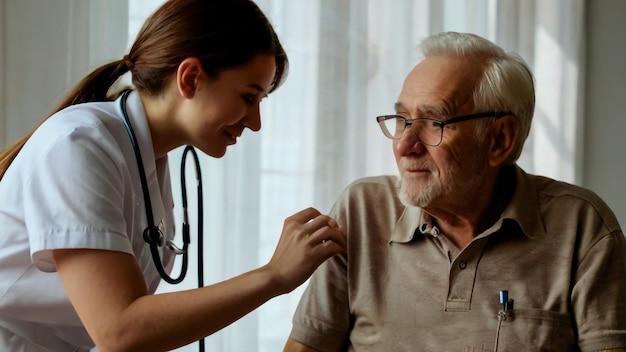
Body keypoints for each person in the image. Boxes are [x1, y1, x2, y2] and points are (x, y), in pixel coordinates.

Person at [0, 0, 346, 351]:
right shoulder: (79, 145)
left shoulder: (147, 159)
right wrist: (273, 276)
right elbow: (120, 331)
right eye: (248, 97)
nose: (255, 123)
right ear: (191, 77)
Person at [284, 31, 626, 351]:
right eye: (402, 119)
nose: (405, 145)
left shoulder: (582, 226)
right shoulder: (361, 210)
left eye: (434, 122)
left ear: (499, 140)